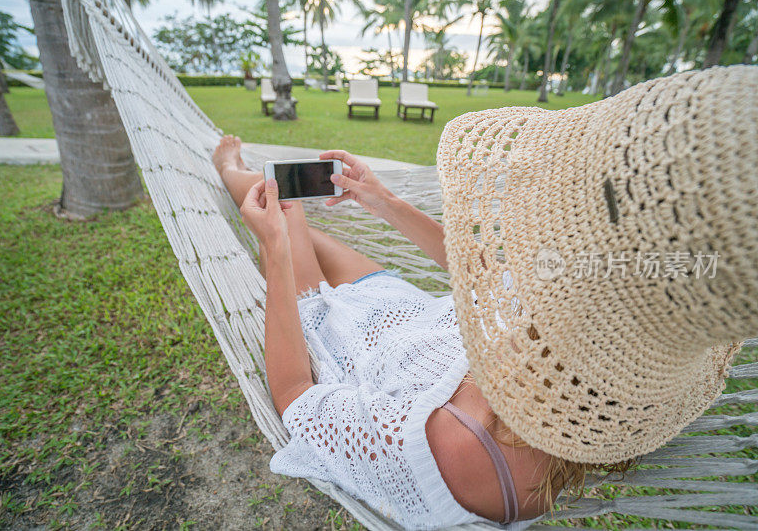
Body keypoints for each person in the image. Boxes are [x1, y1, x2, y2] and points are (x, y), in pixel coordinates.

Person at [212, 65, 756, 530]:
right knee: (301, 224)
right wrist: (385, 201)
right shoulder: (609, 346)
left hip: (355, 345)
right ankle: (249, 186)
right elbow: (484, 276)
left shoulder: (458, 448)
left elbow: (294, 395)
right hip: (408, 315)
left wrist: (275, 254)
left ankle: (228, 169)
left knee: (286, 214)